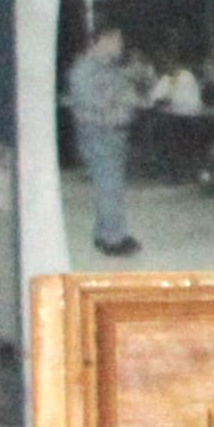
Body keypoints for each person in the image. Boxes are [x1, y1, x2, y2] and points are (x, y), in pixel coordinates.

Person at [63, 22, 146, 258]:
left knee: (112, 186)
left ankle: (105, 232)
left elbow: (129, 93)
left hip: (115, 133)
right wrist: (121, 96)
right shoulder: (83, 70)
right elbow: (95, 102)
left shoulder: (109, 68)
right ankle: (113, 240)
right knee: (108, 185)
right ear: (102, 40)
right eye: (116, 41)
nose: (120, 46)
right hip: (98, 134)